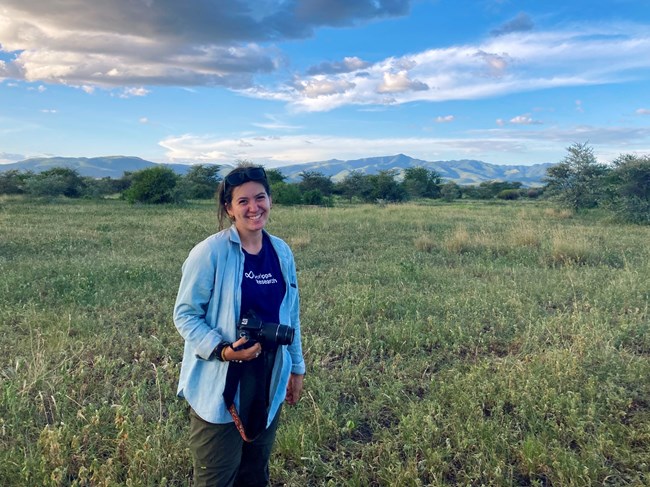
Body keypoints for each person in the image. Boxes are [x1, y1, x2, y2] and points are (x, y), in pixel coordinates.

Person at [173, 163, 305, 486]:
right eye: (242, 201)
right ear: (229, 208)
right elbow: (185, 315)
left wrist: (297, 367)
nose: (253, 207)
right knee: (216, 478)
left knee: (255, 474)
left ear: (270, 200)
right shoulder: (210, 253)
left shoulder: (281, 252)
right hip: (221, 385)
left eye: (260, 198)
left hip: (267, 381)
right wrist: (223, 350)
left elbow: (291, 311)